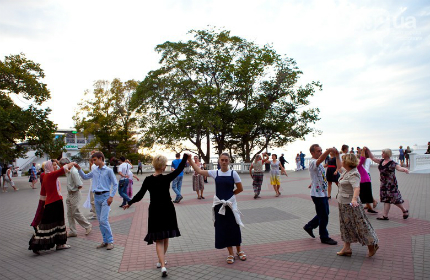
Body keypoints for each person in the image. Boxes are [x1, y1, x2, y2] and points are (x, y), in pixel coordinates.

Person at [123, 154, 189, 278]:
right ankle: (161, 262)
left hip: (155, 210)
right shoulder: (167, 178)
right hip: (168, 209)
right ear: (164, 167)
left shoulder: (148, 180)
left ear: (154, 165)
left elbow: (140, 195)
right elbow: (180, 169)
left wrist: (129, 202)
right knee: (166, 236)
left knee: (159, 239)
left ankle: (162, 264)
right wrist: (185, 157)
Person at [188, 153, 246, 265]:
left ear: (229, 161)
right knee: (224, 228)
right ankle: (230, 253)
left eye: (226, 160)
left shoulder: (234, 174)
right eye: (222, 160)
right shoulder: (216, 173)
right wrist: (190, 161)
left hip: (230, 205)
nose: (224, 162)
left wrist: (231, 196)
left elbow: (240, 188)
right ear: (219, 161)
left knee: (234, 227)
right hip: (219, 206)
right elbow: (199, 172)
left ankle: (239, 250)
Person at [335, 152, 379, 258]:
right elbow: (339, 167)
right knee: (345, 225)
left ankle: (372, 244)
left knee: (361, 225)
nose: (342, 162)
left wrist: (354, 199)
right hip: (343, 203)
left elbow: (356, 188)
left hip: (351, 204)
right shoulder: (346, 172)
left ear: (347, 162)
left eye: (343, 160)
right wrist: (336, 155)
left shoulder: (354, 173)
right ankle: (347, 248)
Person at [29, 160, 75, 254]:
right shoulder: (51, 175)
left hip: (50, 203)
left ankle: (40, 245)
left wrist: (42, 204)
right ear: (49, 166)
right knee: (57, 223)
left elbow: (42, 193)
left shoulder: (45, 176)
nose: (56, 167)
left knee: (48, 224)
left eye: (56, 165)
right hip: (55, 202)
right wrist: (73, 163)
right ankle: (57, 244)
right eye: (54, 165)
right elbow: (63, 169)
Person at [76, 152, 118, 250]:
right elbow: (85, 177)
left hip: (105, 196)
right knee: (100, 221)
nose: (93, 162)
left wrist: (111, 196)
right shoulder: (95, 170)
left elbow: (115, 184)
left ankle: (110, 241)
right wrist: (79, 169)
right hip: (97, 197)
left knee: (104, 220)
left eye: (94, 160)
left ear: (100, 158)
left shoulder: (108, 170)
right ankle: (105, 240)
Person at [303, 145, 339, 245]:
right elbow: (319, 160)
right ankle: (324, 237)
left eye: (321, 151)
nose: (320, 152)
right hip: (317, 195)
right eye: (318, 151)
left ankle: (309, 226)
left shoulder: (319, 163)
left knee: (324, 213)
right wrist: (329, 151)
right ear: (312, 153)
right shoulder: (313, 162)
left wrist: (313, 182)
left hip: (322, 193)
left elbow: (317, 175)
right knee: (324, 216)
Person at [365, 147, 410, 220]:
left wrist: (404, 169)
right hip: (383, 184)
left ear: (387, 154)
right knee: (386, 200)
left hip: (391, 184)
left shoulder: (392, 163)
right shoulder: (381, 161)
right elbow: (372, 158)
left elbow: (399, 168)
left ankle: (404, 210)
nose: (381, 154)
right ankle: (385, 216)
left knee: (394, 199)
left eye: (383, 153)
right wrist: (368, 150)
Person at [59, 158, 92, 238]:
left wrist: (73, 189)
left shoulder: (74, 172)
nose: (61, 168)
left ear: (65, 165)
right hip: (69, 193)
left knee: (75, 212)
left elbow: (80, 185)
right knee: (69, 213)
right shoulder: (68, 170)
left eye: (61, 166)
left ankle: (87, 225)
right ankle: (73, 231)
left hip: (75, 193)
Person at [357, 149, 377, 213]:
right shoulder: (358, 165)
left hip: (364, 180)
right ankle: (370, 206)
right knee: (365, 194)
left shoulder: (358, 165)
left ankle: (370, 207)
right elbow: (362, 158)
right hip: (364, 181)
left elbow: (362, 158)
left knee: (366, 194)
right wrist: (363, 151)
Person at [30, 162, 47, 231]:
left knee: (41, 210)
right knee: (41, 210)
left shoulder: (43, 174)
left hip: (44, 194)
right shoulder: (44, 174)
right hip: (45, 194)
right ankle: (36, 223)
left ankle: (38, 224)